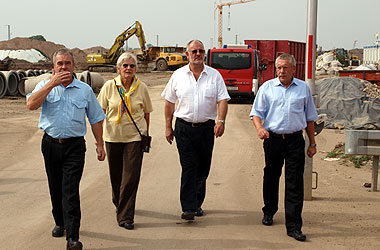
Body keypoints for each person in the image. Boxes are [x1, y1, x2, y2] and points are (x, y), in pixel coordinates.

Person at [26, 48, 106, 250]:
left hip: (75, 147)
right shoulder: (45, 85)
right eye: (59, 63)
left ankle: (72, 237)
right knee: (55, 186)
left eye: (67, 63)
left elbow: (96, 119)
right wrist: (51, 84)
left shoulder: (84, 90)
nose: (63, 67)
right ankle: (59, 222)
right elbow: (31, 105)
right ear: (53, 66)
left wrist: (99, 144)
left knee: (70, 190)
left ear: (74, 66)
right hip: (51, 144)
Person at [250, 54, 318, 241]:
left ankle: (294, 226)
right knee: (271, 176)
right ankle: (269, 211)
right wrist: (260, 128)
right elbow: (256, 113)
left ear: (293, 69)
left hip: (295, 140)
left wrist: (312, 143)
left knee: (294, 182)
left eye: (285, 68)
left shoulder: (303, 89)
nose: (281, 71)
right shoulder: (267, 88)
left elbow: (310, 118)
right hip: (273, 140)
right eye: (279, 68)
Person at [161, 40, 230, 220]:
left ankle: (197, 203)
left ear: (204, 54)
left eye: (200, 51)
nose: (197, 54)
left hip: (206, 129)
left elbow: (222, 100)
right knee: (189, 166)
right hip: (183, 128)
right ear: (187, 54)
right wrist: (168, 126)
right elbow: (169, 102)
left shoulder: (214, 76)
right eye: (194, 51)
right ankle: (188, 207)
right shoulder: (177, 75)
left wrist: (220, 121)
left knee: (203, 168)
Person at [97, 52, 153, 230]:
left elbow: (146, 114)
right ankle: (119, 202)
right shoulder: (109, 86)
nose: (128, 69)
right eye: (125, 66)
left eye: (132, 66)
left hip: (134, 138)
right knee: (116, 176)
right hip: (112, 137)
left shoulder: (141, 87)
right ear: (119, 68)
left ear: (136, 69)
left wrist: (145, 134)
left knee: (130, 177)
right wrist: (99, 141)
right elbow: (99, 113)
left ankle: (126, 216)